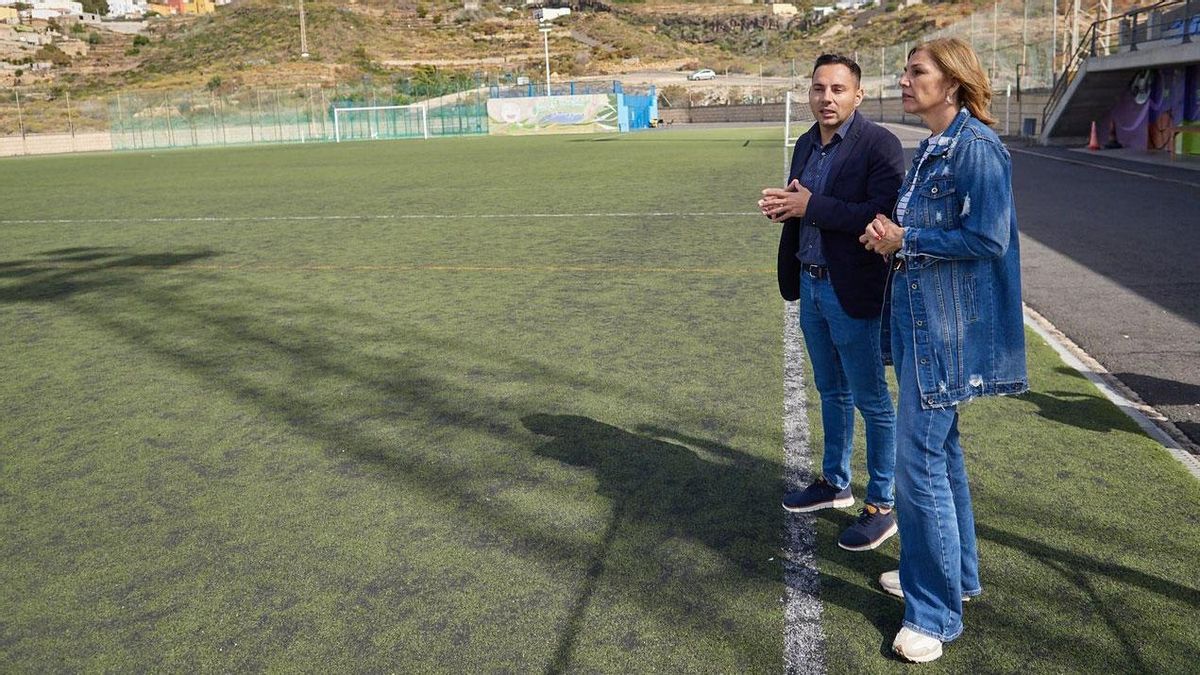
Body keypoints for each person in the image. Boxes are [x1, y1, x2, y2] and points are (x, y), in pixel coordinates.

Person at [860, 38, 1028, 663]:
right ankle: (958, 578)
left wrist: (906, 237)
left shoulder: (976, 147)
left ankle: (933, 612)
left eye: (917, 71)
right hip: (919, 323)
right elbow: (928, 232)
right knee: (941, 454)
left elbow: (988, 238)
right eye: (905, 70)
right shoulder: (933, 145)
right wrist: (891, 237)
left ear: (952, 83)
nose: (904, 80)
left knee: (919, 464)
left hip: (946, 333)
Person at [759, 54, 905, 551]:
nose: (827, 98)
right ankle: (835, 482)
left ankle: (882, 504)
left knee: (872, 400)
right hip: (811, 284)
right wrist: (787, 207)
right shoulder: (806, 144)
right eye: (819, 88)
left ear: (858, 95)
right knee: (830, 390)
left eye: (838, 89)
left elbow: (880, 216)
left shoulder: (879, 145)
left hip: (853, 289)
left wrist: (810, 206)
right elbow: (807, 206)